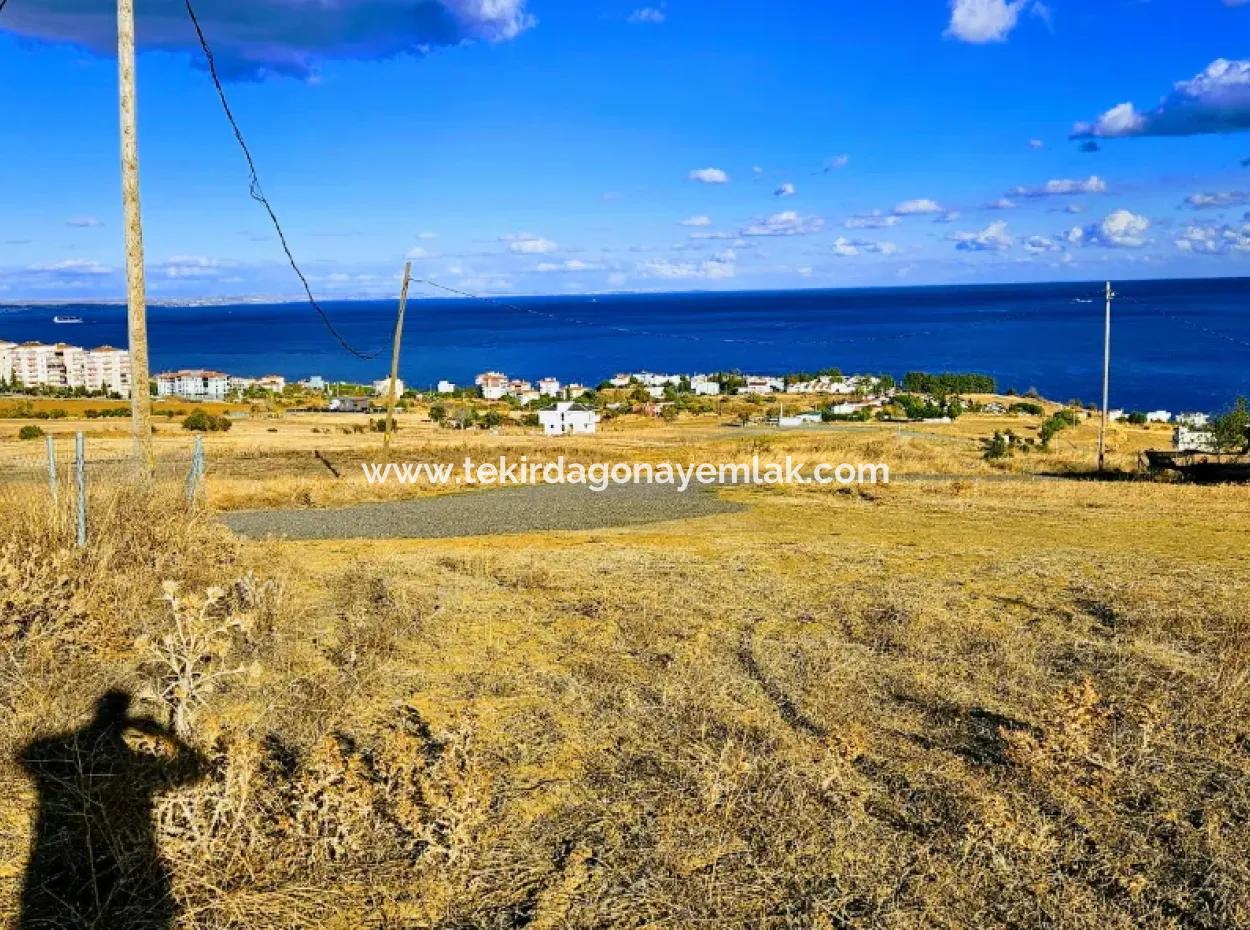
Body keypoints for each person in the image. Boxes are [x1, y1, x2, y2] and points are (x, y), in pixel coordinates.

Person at [18, 690, 204, 930]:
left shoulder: (66, 747)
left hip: (76, 849)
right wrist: (160, 733)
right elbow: (195, 770)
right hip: (124, 848)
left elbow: (28, 755)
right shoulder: (131, 763)